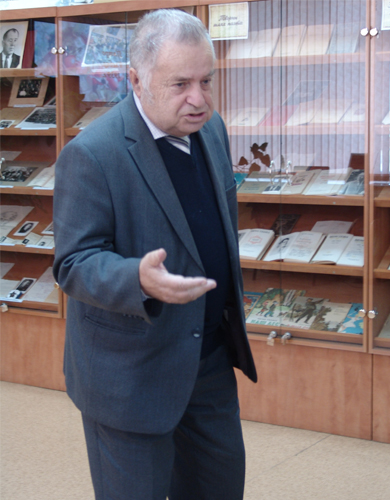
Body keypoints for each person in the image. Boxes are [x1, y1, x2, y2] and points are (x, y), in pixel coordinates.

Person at [52, 9, 257, 500]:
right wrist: (137, 279)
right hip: (130, 375)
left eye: (206, 81)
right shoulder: (92, 154)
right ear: (136, 81)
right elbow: (73, 263)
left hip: (208, 359)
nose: (199, 99)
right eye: (180, 84)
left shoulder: (212, 129)